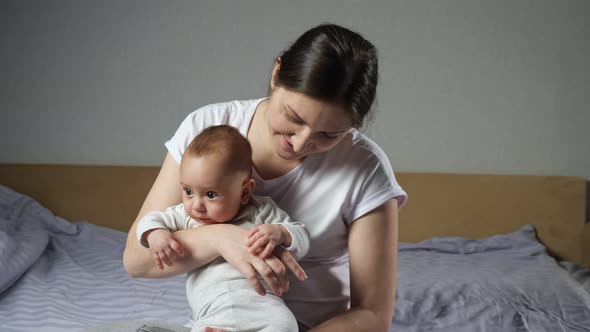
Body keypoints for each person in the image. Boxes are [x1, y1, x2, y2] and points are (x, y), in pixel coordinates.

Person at [124, 23, 407, 332]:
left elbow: (373, 315)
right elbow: (137, 260)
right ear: (276, 73)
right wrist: (219, 237)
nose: (300, 143)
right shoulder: (207, 129)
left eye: (329, 135)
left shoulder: (365, 168)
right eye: (294, 118)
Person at [136, 125, 309, 332]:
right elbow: (149, 221)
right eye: (188, 191)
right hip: (213, 310)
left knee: (285, 324)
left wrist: (280, 232)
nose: (196, 205)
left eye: (210, 195)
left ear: (245, 192)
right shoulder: (184, 216)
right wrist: (156, 234)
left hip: (263, 305)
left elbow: (301, 236)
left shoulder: (261, 211)